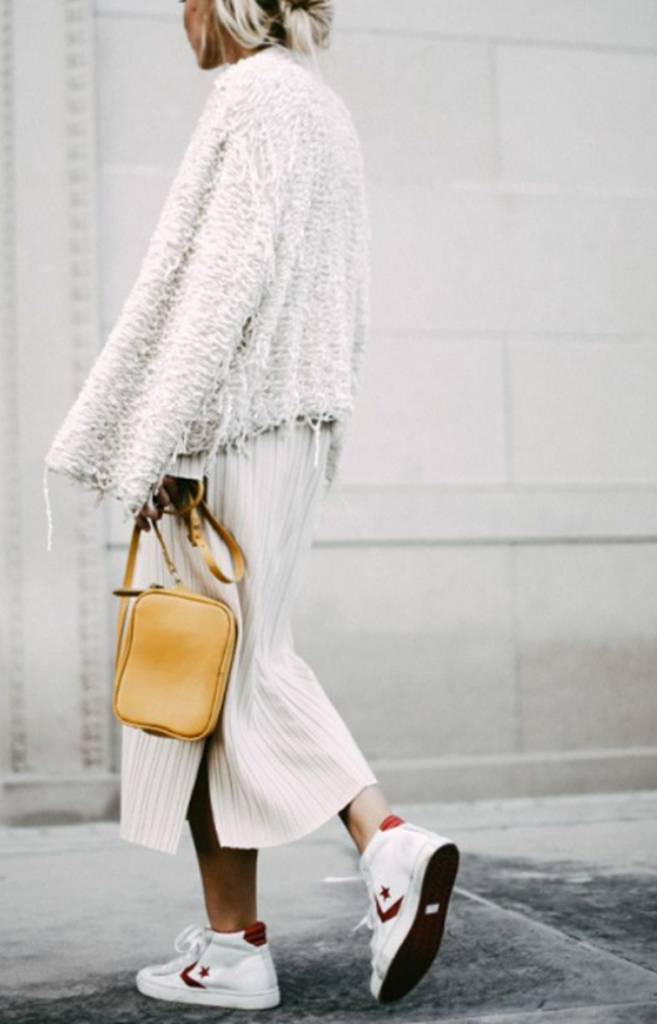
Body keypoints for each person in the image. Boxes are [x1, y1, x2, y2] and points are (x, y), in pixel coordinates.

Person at [43, 0, 460, 1011]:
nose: (175, 22)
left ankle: (385, 840)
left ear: (221, 5)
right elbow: (340, 298)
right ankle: (233, 948)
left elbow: (223, 285)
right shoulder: (318, 109)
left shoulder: (250, 99)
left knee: (234, 663)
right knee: (212, 687)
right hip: (292, 427)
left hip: (228, 431)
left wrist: (154, 451)